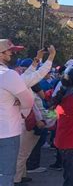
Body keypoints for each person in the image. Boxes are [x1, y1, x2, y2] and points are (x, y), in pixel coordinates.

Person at [14, 46, 56, 185]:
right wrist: (51, 57)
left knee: (24, 152)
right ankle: (17, 179)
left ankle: (22, 174)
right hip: (28, 123)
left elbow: (31, 73)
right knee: (23, 153)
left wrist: (38, 58)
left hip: (28, 122)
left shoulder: (20, 81)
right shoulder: (23, 83)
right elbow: (38, 75)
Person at [0, 39, 35, 186]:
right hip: (7, 132)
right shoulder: (8, 75)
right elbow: (28, 101)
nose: (12, 54)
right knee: (6, 174)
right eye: (10, 51)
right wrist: (16, 102)